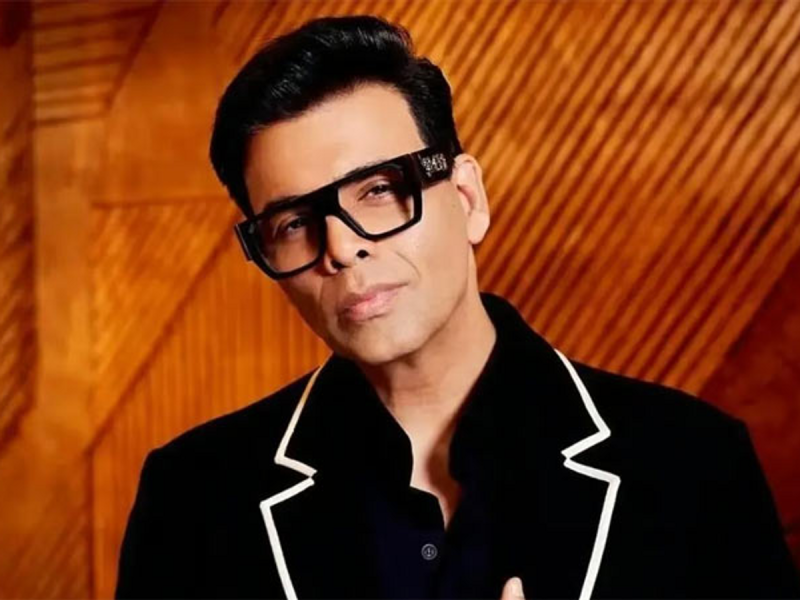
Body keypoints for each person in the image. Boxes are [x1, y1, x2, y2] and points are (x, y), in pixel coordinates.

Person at [115, 14, 800, 600]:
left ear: (468, 198)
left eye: (379, 190)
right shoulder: (194, 498)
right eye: (294, 223)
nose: (341, 248)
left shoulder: (690, 463)